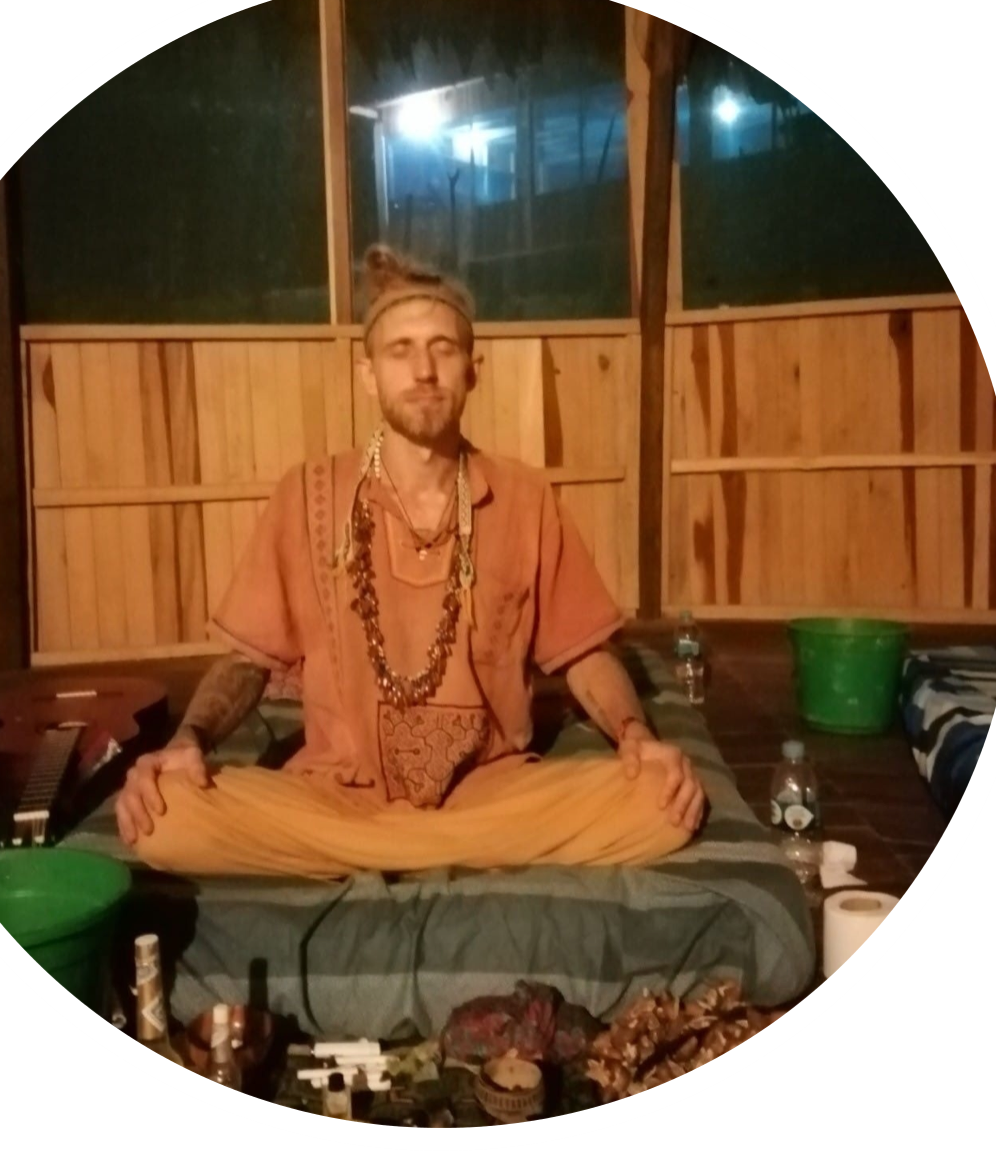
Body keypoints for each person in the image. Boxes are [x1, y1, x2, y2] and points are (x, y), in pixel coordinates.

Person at [117, 246, 705, 877]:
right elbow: (247, 662)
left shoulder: (525, 499)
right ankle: (436, 851)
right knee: (166, 812)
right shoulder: (307, 495)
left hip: (492, 793)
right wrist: (188, 741)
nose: (424, 370)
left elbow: (585, 654)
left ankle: (388, 853)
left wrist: (637, 737)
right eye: (400, 351)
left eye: (442, 349)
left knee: (659, 800)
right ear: (368, 374)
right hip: (335, 797)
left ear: (472, 371)